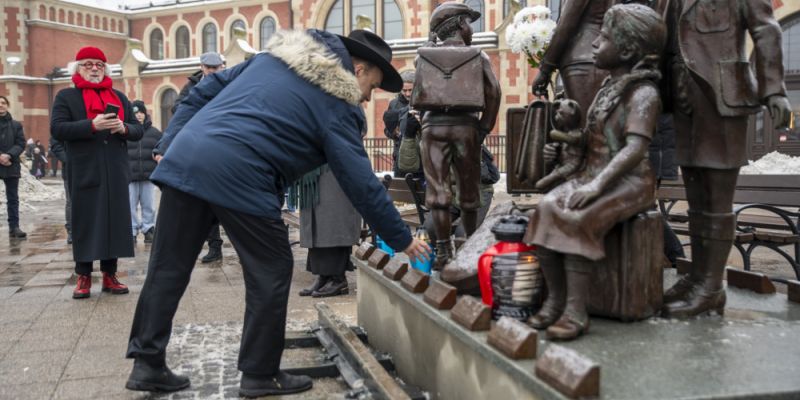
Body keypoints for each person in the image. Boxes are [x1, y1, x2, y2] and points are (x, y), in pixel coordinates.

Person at [126, 29, 430, 397]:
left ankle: (147, 363)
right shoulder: (337, 103)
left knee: (168, 267)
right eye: (372, 85)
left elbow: (202, 92)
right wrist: (402, 238)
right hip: (243, 174)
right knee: (271, 268)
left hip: (187, 160)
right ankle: (259, 373)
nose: (368, 97)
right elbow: (360, 182)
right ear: (357, 67)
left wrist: (171, 141)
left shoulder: (271, 59)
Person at [524, 4, 666, 340]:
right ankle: (556, 300)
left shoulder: (643, 93)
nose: (592, 45)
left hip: (629, 182)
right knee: (544, 209)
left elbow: (633, 149)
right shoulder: (607, 88)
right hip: (594, 174)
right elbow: (592, 140)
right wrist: (562, 153)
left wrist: (597, 185)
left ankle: (576, 310)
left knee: (576, 218)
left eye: (602, 39)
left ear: (628, 50)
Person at [659, 0, 791, 318]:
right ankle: (697, 278)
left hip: (722, 97)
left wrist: (774, 89)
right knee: (696, 199)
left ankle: (712, 287)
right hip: (682, 101)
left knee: (716, 199)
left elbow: (767, 29)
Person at [50, 46, 144, 299]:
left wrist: (123, 127)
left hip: (114, 169)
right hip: (84, 169)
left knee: (114, 222)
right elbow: (58, 129)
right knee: (86, 221)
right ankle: (83, 276)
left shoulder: (119, 97)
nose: (94, 68)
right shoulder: (66, 97)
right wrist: (92, 124)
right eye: (88, 64)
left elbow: (138, 130)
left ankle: (109, 274)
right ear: (78, 68)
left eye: (99, 65)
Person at [416, 1, 501, 269]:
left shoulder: (423, 56)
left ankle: (442, 252)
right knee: (469, 191)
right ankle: (467, 249)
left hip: (432, 128)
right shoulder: (479, 55)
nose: (472, 31)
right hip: (466, 127)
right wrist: (484, 127)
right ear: (459, 25)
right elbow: (495, 93)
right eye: (469, 24)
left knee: (438, 191)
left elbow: (417, 96)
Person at [167, 51, 227, 263]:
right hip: (201, 146)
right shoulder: (192, 86)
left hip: (226, 146)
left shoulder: (229, 83)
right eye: (209, 68)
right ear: (202, 67)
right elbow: (177, 108)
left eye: (216, 67)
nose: (212, 71)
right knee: (205, 200)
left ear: (223, 66)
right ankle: (215, 246)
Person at [531, 0, 616, 126]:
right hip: (604, 56)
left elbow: (567, 23)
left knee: (584, 130)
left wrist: (545, 69)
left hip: (581, 62)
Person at [296, 165, 361, 298]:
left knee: (331, 222)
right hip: (314, 167)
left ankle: (338, 280)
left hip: (332, 168)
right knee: (317, 227)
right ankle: (324, 276)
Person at [129, 100, 162, 244]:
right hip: (129, 176)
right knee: (130, 205)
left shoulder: (154, 133)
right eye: (136, 113)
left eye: (141, 112)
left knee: (148, 205)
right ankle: (132, 231)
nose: (139, 116)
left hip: (148, 175)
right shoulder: (126, 132)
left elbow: (162, 147)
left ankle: (148, 228)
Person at [0, 95, 28, 238]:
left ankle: (14, 227)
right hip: (3, 161)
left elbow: (21, 143)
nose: (1, 105)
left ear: (7, 105)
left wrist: (9, 155)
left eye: (3, 103)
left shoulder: (16, 125)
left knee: (13, 198)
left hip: (11, 164)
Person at [382, 70, 414, 174]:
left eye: (410, 90)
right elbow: (387, 130)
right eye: (404, 90)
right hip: (399, 156)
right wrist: (394, 133)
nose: (408, 93)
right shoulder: (394, 104)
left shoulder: (424, 101)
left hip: (420, 156)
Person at [48, 136, 71, 243]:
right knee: (71, 202)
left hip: (92, 167)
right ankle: (72, 231)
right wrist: (68, 160)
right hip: (71, 169)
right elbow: (55, 143)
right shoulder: (63, 120)